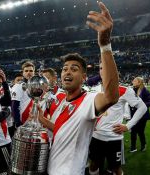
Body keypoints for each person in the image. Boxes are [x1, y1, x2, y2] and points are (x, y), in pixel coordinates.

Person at [37, 2, 119, 174]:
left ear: (84, 77)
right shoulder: (61, 101)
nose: (67, 72)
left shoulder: (89, 100)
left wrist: (105, 46)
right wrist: (42, 121)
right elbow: (62, 131)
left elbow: (111, 96)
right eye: (65, 69)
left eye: (74, 69)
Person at [88, 66, 147, 175]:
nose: (104, 70)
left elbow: (143, 107)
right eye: (101, 68)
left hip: (114, 137)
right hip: (95, 136)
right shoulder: (93, 90)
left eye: (106, 67)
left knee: (116, 168)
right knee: (93, 164)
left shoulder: (124, 90)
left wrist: (128, 126)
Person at [130, 77, 150, 152]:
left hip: (143, 115)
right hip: (134, 114)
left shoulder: (145, 90)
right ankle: (133, 147)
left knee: (140, 131)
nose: (133, 81)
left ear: (139, 82)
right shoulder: (132, 90)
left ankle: (143, 145)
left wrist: (142, 105)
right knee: (133, 131)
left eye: (134, 81)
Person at [11, 61, 35, 127]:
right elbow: (14, 106)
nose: (28, 73)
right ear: (23, 73)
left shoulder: (36, 85)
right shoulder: (18, 86)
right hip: (23, 121)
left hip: (34, 119)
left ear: (34, 72)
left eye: (31, 71)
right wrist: (18, 123)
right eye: (26, 71)